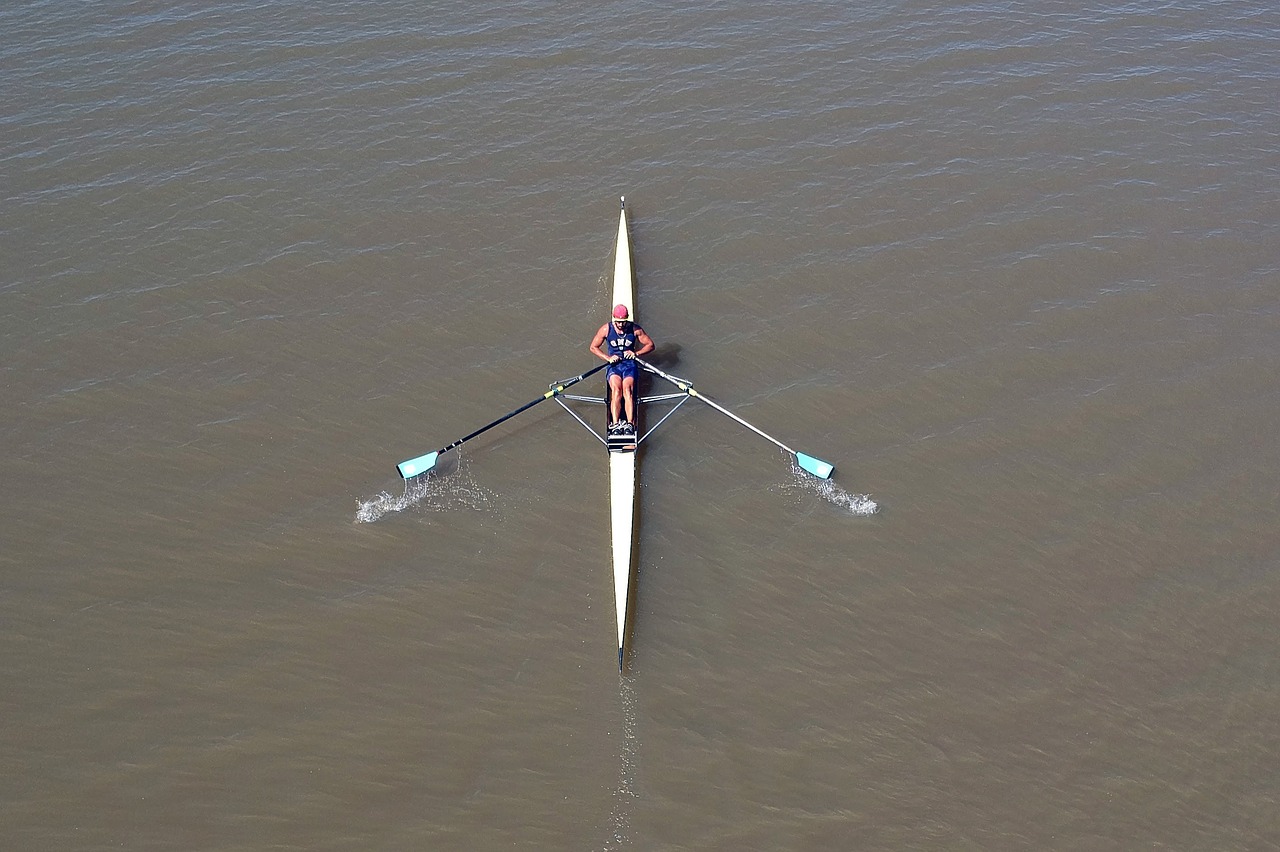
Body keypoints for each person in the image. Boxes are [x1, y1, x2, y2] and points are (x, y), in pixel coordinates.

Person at [589, 304, 655, 434]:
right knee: (616, 390)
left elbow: (650, 345)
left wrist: (636, 354)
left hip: (629, 365)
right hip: (614, 365)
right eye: (618, 322)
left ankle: (630, 425)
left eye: (623, 322)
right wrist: (607, 358)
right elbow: (593, 347)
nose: (620, 325)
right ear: (614, 319)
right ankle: (615, 424)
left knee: (627, 390)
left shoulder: (635, 329)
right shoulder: (605, 329)